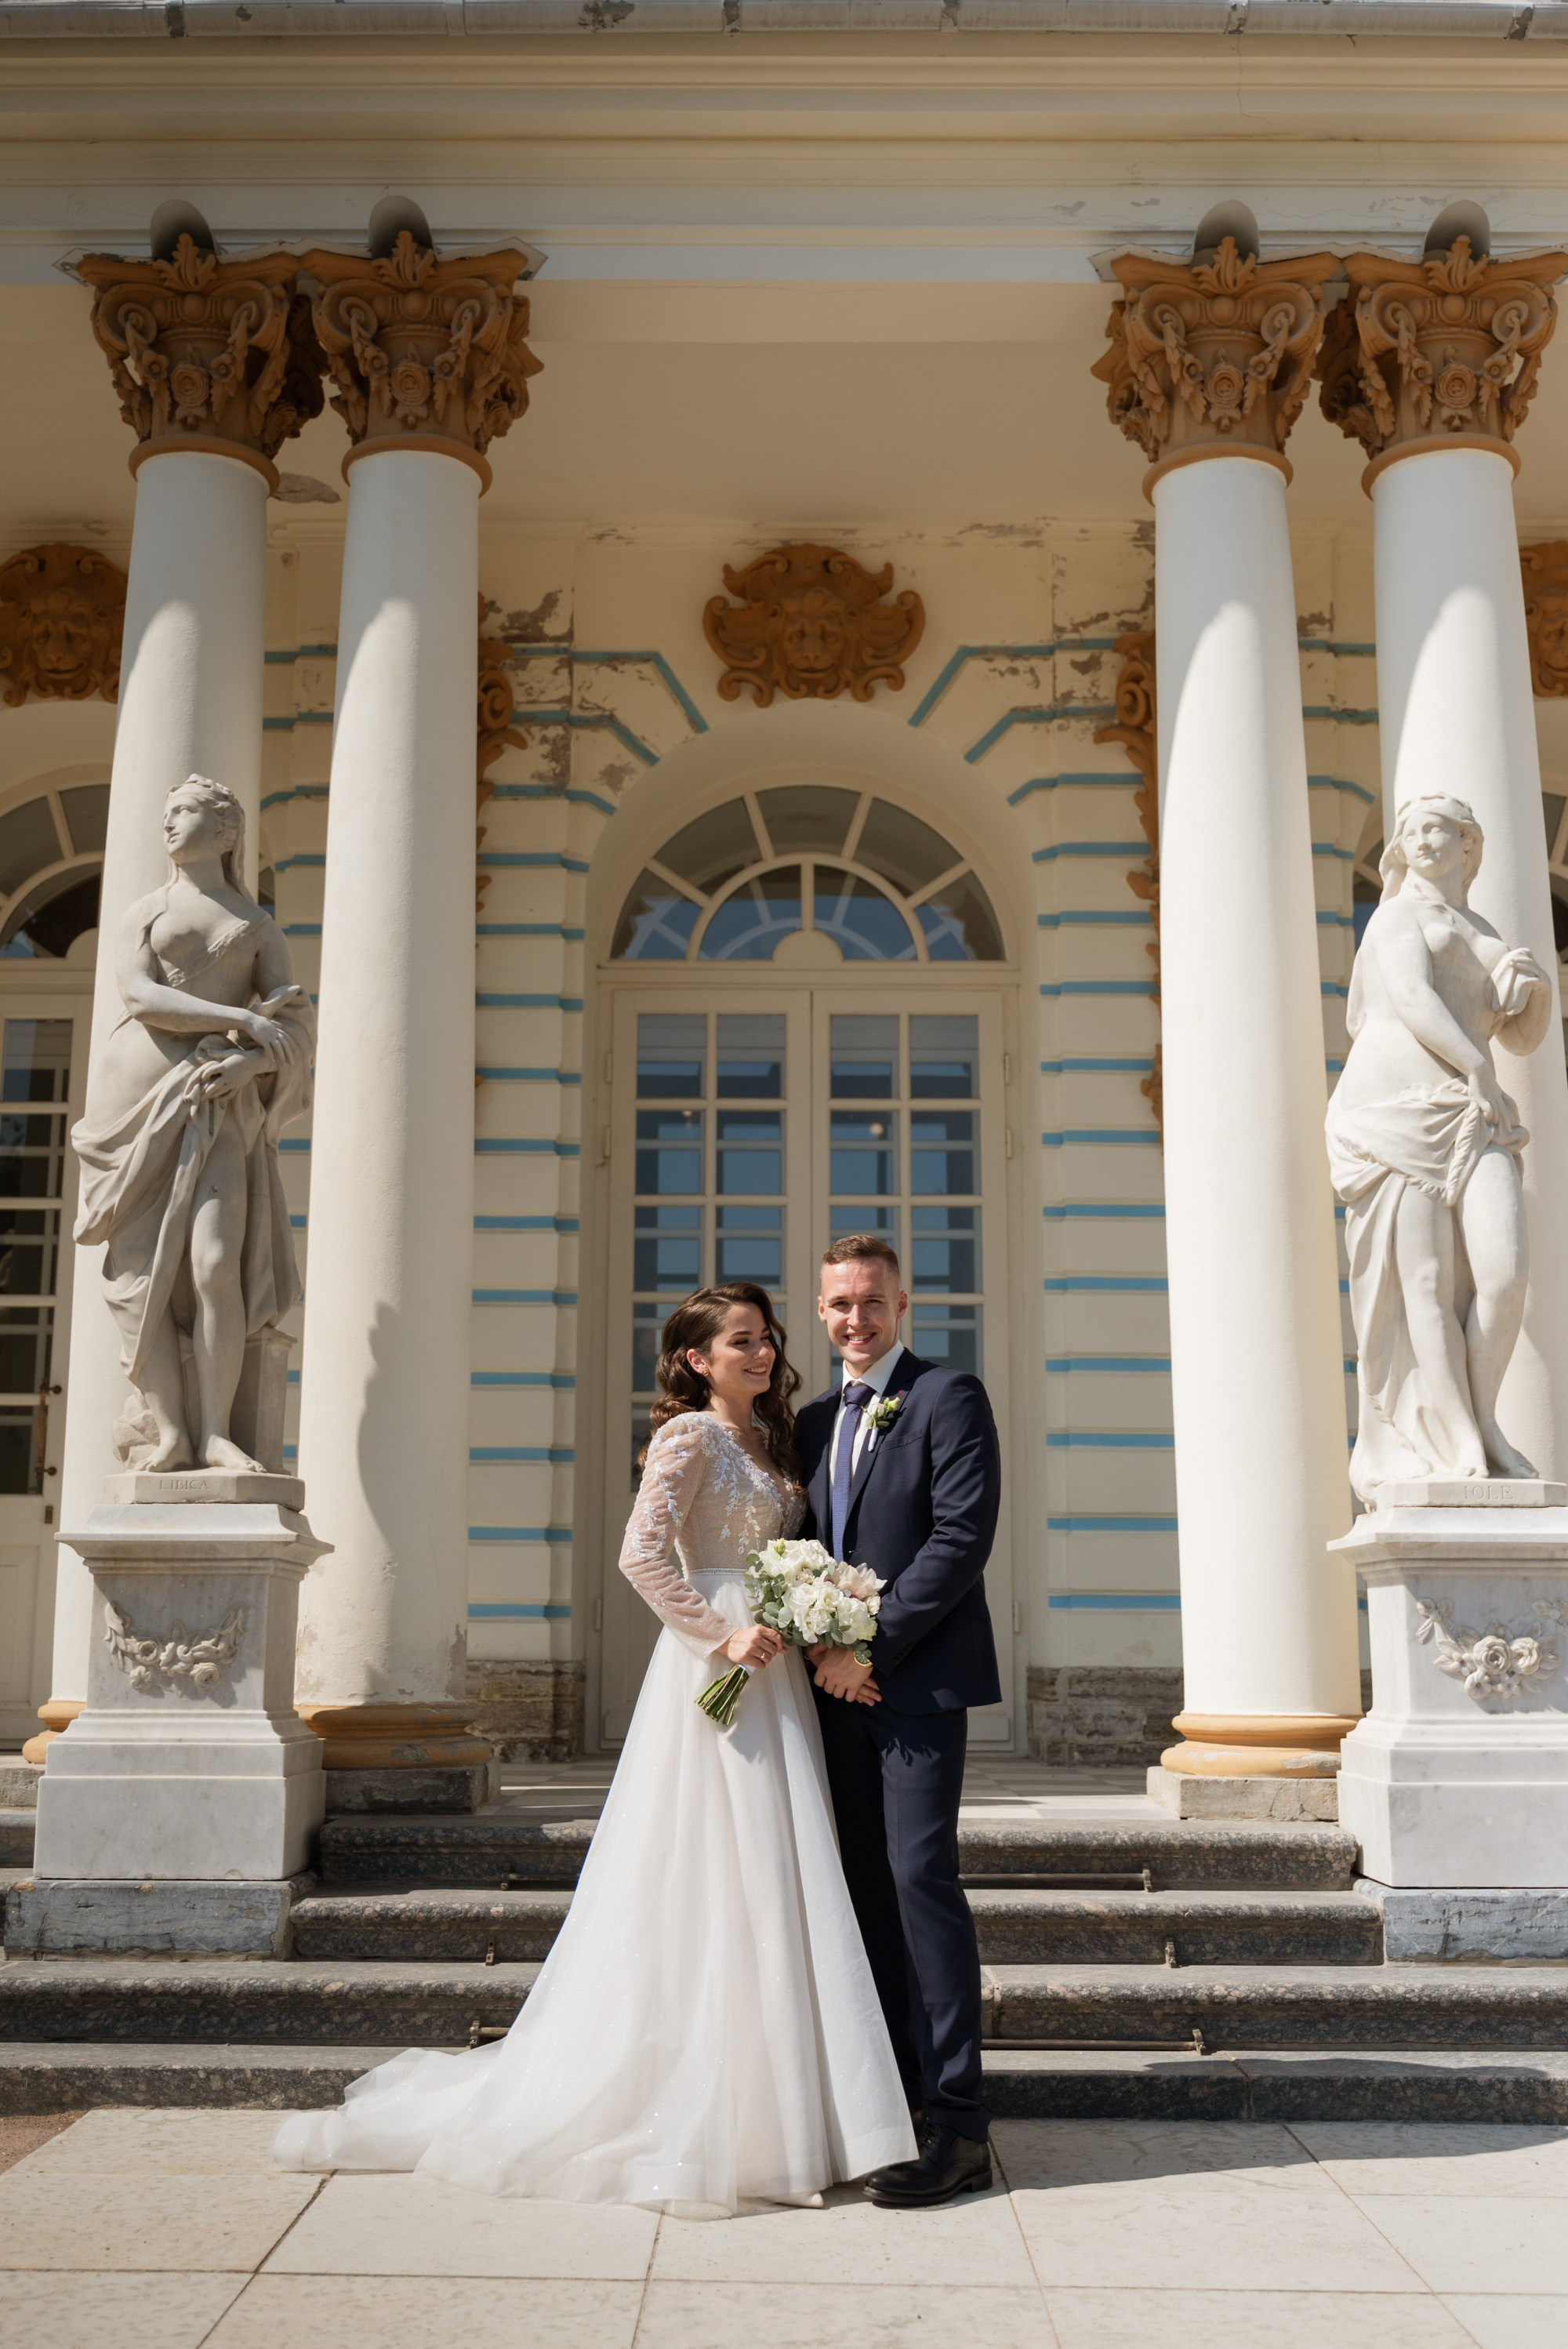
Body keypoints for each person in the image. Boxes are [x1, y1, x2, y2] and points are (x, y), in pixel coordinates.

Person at [273, 1280, 915, 2216]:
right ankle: (707, 2108)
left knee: (774, 1867)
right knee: (714, 1860)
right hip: (719, 1662)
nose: (761, 1352)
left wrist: (795, 1610)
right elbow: (640, 1553)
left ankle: (789, 2109)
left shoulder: (771, 1441)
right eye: (740, 1340)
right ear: (696, 1358)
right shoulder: (689, 1435)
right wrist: (719, 1632)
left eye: (765, 1337)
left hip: (773, 1662)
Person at [795, 1234, 1003, 2209]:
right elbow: (799, 1549)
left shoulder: (945, 1396)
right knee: (862, 1890)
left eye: (871, 1300)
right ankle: (892, 2101)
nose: (855, 1317)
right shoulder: (809, 1420)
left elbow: (960, 1537)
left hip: (912, 1688)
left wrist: (867, 1649)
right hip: (831, 1694)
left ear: (900, 1303)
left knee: (921, 1881)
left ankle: (958, 2122)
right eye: (839, 1303)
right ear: (820, 1309)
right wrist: (818, 1652)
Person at [71, 773, 313, 1472]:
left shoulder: (257, 928)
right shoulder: (145, 912)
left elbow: (296, 1027)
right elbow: (140, 996)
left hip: (217, 1104)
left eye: (185, 811)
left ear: (226, 830)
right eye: (168, 811)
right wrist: (240, 1020)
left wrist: (249, 1067)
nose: (169, 822)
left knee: (214, 1265)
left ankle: (215, 1434)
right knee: (140, 1274)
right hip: (134, 1104)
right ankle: (171, 1431)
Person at [1326, 793, 1554, 1501]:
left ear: (1468, 844)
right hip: (1394, 1111)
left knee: (1505, 1274)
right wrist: (1478, 1067)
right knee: (1421, 1284)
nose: (1423, 840)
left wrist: (1536, 996)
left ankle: (1483, 1419)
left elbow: (1519, 1037)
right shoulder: (1396, 916)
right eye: (1412, 831)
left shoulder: (1482, 929)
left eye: (1438, 830)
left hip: (1472, 1112)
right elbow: (1412, 997)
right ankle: (1459, 1441)